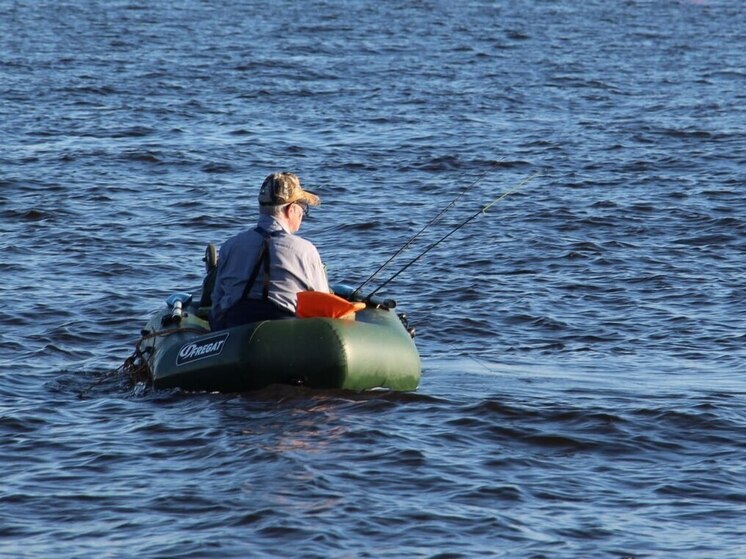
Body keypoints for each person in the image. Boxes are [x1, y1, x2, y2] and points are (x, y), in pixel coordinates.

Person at [209, 172, 328, 330]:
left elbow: (217, 303)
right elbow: (324, 305)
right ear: (291, 209)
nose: (302, 214)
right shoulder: (305, 251)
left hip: (236, 330)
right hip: (287, 333)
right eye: (303, 208)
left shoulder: (230, 246)